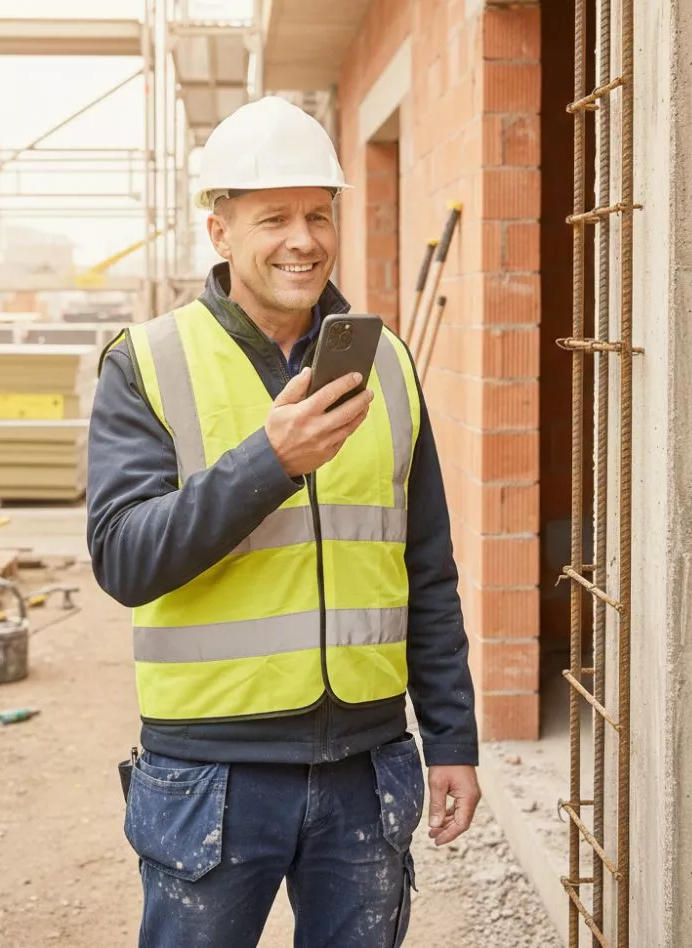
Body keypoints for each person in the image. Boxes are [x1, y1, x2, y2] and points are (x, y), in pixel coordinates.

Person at [86, 95, 480, 948]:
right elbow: (122, 557)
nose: (303, 239)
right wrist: (268, 462)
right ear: (219, 230)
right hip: (211, 773)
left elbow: (427, 568)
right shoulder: (147, 363)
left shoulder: (387, 364)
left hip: (367, 766)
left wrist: (453, 738)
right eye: (274, 217)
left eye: (318, 214)